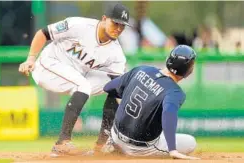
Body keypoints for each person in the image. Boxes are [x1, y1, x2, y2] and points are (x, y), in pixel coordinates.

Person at [18, 3, 131, 157]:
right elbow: (43, 33)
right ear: (104, 19)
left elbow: (119, 90)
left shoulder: (116, 53)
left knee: (114, 85)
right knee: (82, 85)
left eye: (122, 25)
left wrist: (128, 116)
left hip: (76, 76)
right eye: (115, 23)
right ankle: (62, 143)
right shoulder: (78, 25)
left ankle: (102, 142)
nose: (118, 28)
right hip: (48, 66)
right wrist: (31, 58)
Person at [101, 45, 200, 160]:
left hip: (116, 136)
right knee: (191, 142)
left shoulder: (142, 69)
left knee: (113, 98)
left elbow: (108, 88)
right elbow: (168, 114)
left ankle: (110, 142)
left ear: (169, 59)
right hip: (140, 149)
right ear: (188, 70)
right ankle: (127, 149)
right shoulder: (175, 92)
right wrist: (172, 150)